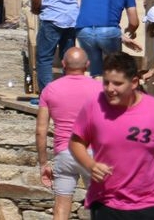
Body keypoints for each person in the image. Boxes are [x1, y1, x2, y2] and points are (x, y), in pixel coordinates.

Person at [70, 52, 154, 219]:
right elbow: (76, 142)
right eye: (106, 82)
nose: (109, 89)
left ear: (134, 82)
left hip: (148, 204)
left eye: (117, 84)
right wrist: (90, 165)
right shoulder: (93, 105)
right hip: (105, 203)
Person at [35, 47, 102, 220]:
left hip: (64, 153)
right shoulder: (100, 89)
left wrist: (43, 163)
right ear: (87, 65)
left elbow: (41, 131)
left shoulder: (50, 90)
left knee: (61, 207)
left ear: (63, 64)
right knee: (101, 206)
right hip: (93, 154)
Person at [75, 0, 140, 77]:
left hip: (83, 31)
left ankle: (97, 92)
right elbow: (134, 22)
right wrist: (130, 32)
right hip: (108, 31)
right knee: (115, 69)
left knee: (96, 72)